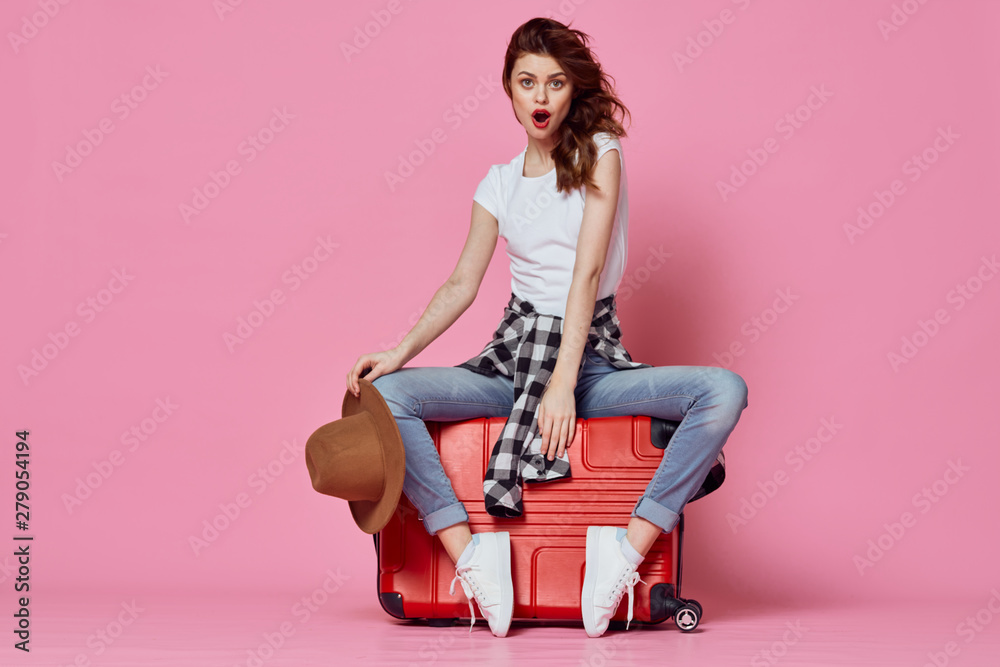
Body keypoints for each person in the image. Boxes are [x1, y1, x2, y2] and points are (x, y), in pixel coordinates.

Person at [346, 17, 748, 638]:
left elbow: (585, 274)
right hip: (512, 359)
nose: (540, 97)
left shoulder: (601, 151)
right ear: (507, 89)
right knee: (389, 397)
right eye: (526, 82)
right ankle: (472, 555)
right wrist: (398, 351)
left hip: (589, 364)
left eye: (555, 83)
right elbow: (462, 284)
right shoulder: (499, 184)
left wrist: (564, 384)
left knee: (723, 390)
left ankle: (624, 552)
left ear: (571, 90)